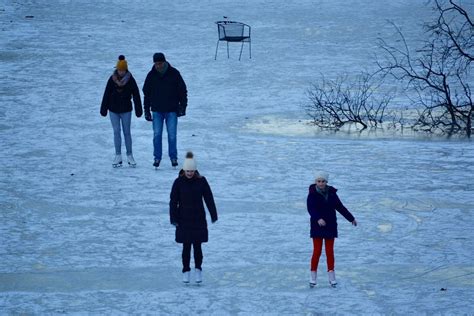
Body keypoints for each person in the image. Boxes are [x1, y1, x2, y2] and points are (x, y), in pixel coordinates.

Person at [169, 152, 218, 284]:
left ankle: (198, 269)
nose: (190, 173)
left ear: (195, 170)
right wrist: (173, 218)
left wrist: (213, 214)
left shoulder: (201, 181)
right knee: (186, 247)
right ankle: (186, 270)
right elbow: (173, 201)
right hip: (183, 219)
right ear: (184, 170)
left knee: (197, 246)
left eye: (192, 171)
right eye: (187, 171)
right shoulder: (178, 182)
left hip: (198, 219)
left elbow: (209, 198)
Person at [306, 171, 357, 287]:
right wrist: (318, 219)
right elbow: (311, 209)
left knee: (329, 251)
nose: (321, 183)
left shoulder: (332, 194)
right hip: (317, 226)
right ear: (315, 182)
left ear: (326, 182)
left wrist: (351, 218)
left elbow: (340, 207)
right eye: (319, 181)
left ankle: (331, 276)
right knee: (317, 251)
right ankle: (313, 276)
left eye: (323, 181)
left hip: (330, 225)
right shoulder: (312, 194)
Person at [142, 52, 188, 169]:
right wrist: (146, 110)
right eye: (156, 64)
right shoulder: (151, 75)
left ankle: (173, 157)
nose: (158, 66)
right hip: (157, 110)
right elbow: (146, 94)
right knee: (157, 135)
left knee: (172, 135)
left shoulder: (174, 73)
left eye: (160, 63)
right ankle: (157, 158)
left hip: (171, 110)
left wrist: (183, 107)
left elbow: (183, 91)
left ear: (164, 62)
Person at [100, 55, 142, 167]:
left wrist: (139, 110)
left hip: (126, 110)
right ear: (117, 69)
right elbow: (106, 94)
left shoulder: (130, 79)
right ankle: (118, 156)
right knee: (116, 132)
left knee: (127, 132)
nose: (121, 72)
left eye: (123, 70)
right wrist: (103, 109)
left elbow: (136, 95)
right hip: (113, 110)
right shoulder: (112, 79)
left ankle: (130, 155)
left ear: (126, 69)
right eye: (119, 70)